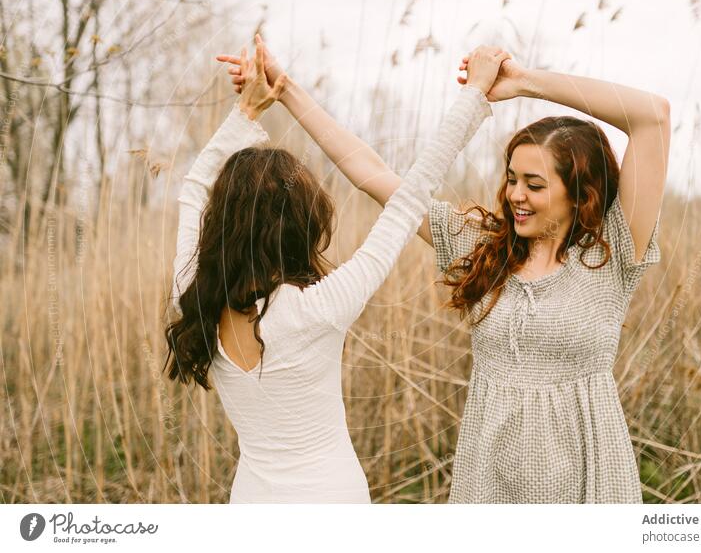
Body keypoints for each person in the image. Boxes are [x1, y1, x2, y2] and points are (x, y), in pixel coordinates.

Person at [220, 44, 670, 503]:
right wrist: (287, 90)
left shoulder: (610, 254)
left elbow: (652, 116)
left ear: (581, 193)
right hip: (488, 483)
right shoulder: (484, 246)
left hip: (589, 484)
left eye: (535, 185)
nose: (515, 194)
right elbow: (369, 173)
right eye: (512, 178)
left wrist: (524, 83)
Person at [165, 35, 507, 503]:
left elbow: (192, 187)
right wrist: (474, 96)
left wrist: (246, 112)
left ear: (220, 221)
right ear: (301, 227)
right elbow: (410, 199)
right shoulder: (320, 308)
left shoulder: (192, 295)